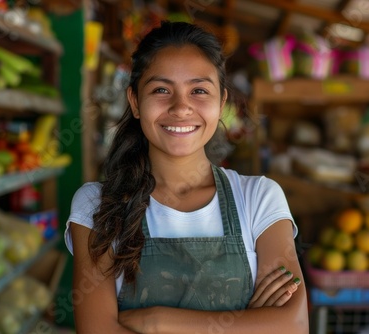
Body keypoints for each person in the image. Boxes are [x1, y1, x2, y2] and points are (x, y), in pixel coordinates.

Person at [65, 21, 308, 333]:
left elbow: (294, 326)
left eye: (199, 90)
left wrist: (156, 321)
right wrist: (248, 324)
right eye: (161, 90)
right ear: (136, 102)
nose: (181, 107)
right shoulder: (96, 204)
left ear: (221, 102)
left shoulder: (259, 198)